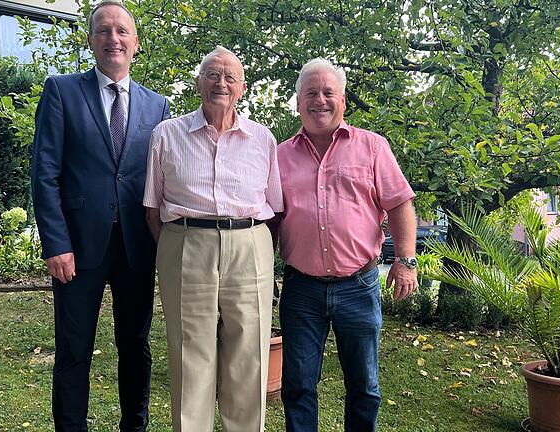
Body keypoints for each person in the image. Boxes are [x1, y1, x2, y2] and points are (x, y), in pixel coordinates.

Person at [30, 1, 170, 430]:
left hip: (136, 247)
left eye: (122, 31)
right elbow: (44, 174)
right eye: (104, 31)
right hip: (77, 248)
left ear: (136, 43)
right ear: (90, 40)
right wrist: (56, 244)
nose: (114, 39)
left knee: (136, 346)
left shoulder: (157, 106)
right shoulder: (61, 91)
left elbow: (162, 182)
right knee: (73, 349)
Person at [142, 46, 283, 432]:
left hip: (249, 245)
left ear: (242, 88)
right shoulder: (167, 134)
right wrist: (181, 246)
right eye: (212, 74)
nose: (221, 82)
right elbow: (152, 209)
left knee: (249, 352)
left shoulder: (262, 139)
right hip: (186, 243)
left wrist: (253, 247)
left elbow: (275, 207)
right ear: (198, 82)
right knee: (190, 353)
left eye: (230, 77)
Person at [275, 58, 418, 431]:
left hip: (359, 285)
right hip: (301, 288)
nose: (319, 100)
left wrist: (406, 261)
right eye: (310, 93)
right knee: (298, 385)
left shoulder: (372, 147)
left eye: (328, 93)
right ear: (298, 102)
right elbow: (270, 218)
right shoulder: (279, 156)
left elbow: (400, 203)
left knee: (364, 387)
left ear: (343, 101)